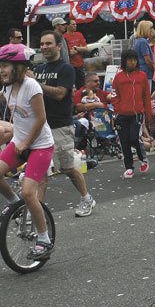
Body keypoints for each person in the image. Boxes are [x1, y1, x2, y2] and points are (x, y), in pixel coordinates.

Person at [0, 44, 57, 259]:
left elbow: (41, 119)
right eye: (0, 66)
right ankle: (14, 203)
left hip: (39, 145)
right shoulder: (9, 87)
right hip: (20, 142)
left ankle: (44, 239)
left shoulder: (32, 86)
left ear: (19, 67)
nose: (1, 70)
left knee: (29, 191)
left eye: (5, 66)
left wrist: (25, 143)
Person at [35, 31, 95, 217]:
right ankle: (35, 211)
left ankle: (87, 199)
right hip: (41, 126)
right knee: (40, 172)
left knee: (67, 168)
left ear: (59, 46)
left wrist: (36, 83)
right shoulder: (39, 69)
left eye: (48, 43)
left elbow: (60, 93)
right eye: (42, 44)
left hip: (60, 125)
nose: (44, 47)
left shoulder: (66, 69)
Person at [111, 49, 154, 178]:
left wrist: (148, 114)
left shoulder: (142, 76)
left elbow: (147, 96)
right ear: (124, 61)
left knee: (134, 138)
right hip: (121, 114)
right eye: (130, 60)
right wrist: (118, 109)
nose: (132, 62)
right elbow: (114, 95)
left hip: (137, 114)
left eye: (134, 60)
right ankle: (129, 167)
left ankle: (143, 159)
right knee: (124, 141)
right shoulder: (118, 77)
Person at [133, 20, 155, 89]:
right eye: (151, 28)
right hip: (146, 72)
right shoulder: (143, 42)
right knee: (147, 94)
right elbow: (148, 60)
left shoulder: (139, 40)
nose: (152, 30)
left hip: (141, 71)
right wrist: (154, 69)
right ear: (146, 29)